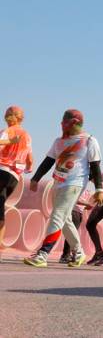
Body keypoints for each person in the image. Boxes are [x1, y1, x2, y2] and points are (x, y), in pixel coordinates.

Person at [24, 109, 103, 268]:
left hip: (75, 183)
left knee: (57, 216)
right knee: (65, 219)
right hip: (58, 182)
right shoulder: (58, 141)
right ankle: (79, 252)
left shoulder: (89, 141)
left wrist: (99, 189)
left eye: (64, 121)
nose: (61, 124)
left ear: (74, 122)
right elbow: (48, 161)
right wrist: (35, 178)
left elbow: (95, 166)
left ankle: (43, 253)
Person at [0, 106, 33, 259]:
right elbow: (30, 160)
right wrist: (28, 168)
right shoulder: (27, 136)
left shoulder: (8, 131)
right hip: (15, 177)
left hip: (2, 169)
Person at [59, 189, 93, 263]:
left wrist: (86, 206)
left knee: (73, 233)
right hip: (74, 211)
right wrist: (86, 204)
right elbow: (74, 199)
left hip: (79, 212)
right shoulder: (78, 186)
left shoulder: (86, 189)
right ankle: (65, 255)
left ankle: (70, 254)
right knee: (71, 234)